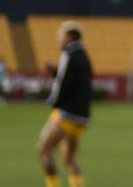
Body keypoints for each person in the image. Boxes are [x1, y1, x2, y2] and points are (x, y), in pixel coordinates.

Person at [38, 21, 92, 187]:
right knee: (69, 159)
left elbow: (62, 84)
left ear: (69, 36)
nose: (58, 39)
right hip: (82, 117)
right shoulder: (83, 55)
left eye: (59, 36)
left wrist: (53, 102)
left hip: (66, 114)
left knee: (44, 150)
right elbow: (75, 80)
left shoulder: (68, 53)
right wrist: (55, 71)